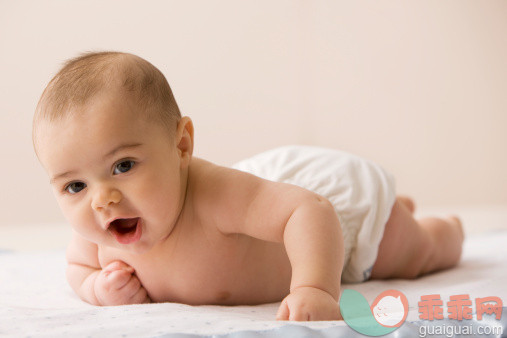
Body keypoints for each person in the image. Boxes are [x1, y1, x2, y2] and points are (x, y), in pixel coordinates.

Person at [32, 51, 464, 321]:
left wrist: (314, 287)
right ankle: (402, 211)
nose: (102, 199)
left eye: (123, 165)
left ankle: (444, 228)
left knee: (414, 254)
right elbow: (79, 270)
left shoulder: (214, 197)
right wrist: (97, 290)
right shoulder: (98, 237)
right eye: (74, 187)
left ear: (181, 145)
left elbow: (309, 211)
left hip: (333, 228)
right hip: (285, 218)